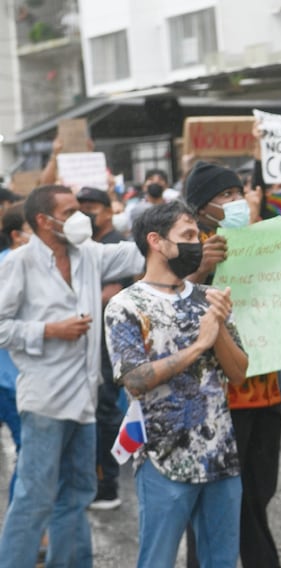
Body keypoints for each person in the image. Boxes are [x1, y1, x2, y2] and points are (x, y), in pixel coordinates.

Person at [0, 185, 144, 567]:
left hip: (84, 400)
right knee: (34, 497)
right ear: (44, 222)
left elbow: (136, 253)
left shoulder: (89, 255)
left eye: (81, 209)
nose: (82, 217)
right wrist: (50, 330)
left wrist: (190, 228)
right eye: (70, 211)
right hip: (44, 402)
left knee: (77, 495)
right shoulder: (19, 263)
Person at [105, 200, 247, 567]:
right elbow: (135, 379)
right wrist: (199, 344)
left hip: (220, 454)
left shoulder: (208, 298)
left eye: (197, 236)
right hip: (162, 459)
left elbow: (239, 372)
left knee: (223, 560)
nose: (196, 244)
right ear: (156, 241)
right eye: (186, 235)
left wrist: (217, 330)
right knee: (158, 560)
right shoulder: (126, 305)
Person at [183, 161, 281, 567]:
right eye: (225, 196)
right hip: (220, 398)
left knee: (258, 493)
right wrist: (198, 267)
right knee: (219, 499)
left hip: (265, 388)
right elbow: (165, 303)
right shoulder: (189, 245)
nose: (237, 201)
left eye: (238, 192)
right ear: (202, 206)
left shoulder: (253, 237)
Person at [76, 186, 134, 510]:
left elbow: (114, 293)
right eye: (80, 206)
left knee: (106, 410)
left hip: (110, 344)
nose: (84, 212)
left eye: (91, 207)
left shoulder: (114, 248)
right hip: (91, 342)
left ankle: (107, 483)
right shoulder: (88, 247)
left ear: (108, 211)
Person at [0, 203, 30, 504]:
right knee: (29, 454)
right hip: (12, 379)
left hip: (12, 377)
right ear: (17, 235)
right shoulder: (16, 265)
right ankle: (26, 534)